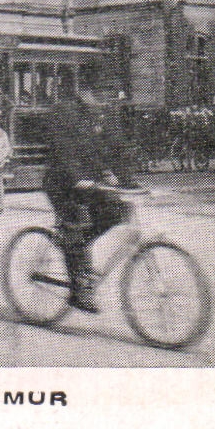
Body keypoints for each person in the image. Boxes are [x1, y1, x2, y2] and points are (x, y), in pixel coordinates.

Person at [41, 88, 136, 313]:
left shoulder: (104, 115)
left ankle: (78, 247)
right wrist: (77, 178)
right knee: (74, 224)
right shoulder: (65, 112)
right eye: (97, 95)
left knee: (118, 211)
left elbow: (118, 149)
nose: (102, 102)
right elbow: (62, 150)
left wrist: (129, 181)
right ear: (84, 93)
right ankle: (78, 289)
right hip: (62, 182)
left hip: (89, 182)